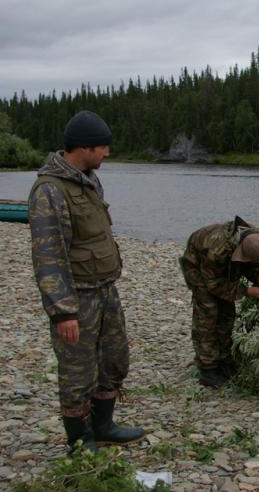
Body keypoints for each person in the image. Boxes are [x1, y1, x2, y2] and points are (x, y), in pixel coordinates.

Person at [28, 110, 144, 455]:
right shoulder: (49, 190)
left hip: (106, 289)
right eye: (103, 147)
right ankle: (80, 439)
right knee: (77, 371)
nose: (107, 153)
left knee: (114, 360)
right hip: (77, 297)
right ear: (84, 147)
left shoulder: (88, 178)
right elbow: (49, 257)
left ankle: (104, 426)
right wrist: (63, 312)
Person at [179, 217, 259, 388]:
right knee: (208, 315)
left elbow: (251, 266)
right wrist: (247, 291)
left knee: (227, 314)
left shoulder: (255, 239)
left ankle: (224, 359)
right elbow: (214, 285)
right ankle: (208, 368)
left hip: (221, 265)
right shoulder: (215, 250)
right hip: (198, 268)